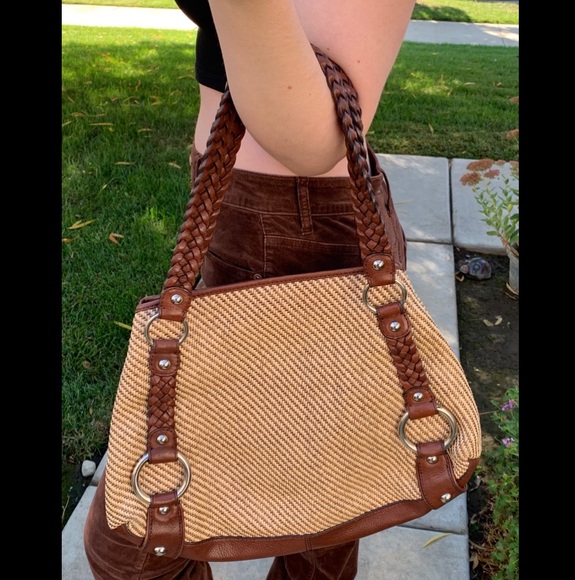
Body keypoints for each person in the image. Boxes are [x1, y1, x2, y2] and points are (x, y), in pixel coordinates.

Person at [84, 1, 416, 578]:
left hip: (298, 224)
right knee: (330, 499)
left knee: (131, 545)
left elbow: (315, 141)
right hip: (248, 202)